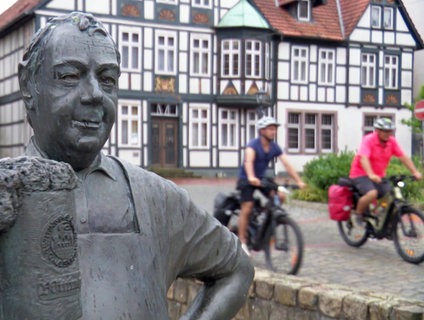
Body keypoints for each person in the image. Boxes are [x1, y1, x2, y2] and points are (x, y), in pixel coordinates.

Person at [17, 12, 254, 319]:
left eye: (107, 79)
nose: (94, 94)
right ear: (28, 84)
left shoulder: (157, 198)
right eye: (69, 76)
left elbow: (236, 269)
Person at [236, 116, 306, 254]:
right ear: (262, 131)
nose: (273, 132)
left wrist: (298, 180)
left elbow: (286, 163)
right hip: (247, 179)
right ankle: (242, 240)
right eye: (270, 129)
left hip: (261, 178)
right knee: (247, 207)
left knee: (280, 195)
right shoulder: (253, 145)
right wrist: (251, 176)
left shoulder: (274, 147)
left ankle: (266, 218)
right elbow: (248, 162)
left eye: (274, 129)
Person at [349, 118, 422, 225]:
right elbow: (363, 158)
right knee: (372, 193)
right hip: (360, 174)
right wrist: (371, 174)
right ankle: (359, 214)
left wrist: (415, 171)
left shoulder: (392, 142)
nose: (388, 134)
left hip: (379, 176)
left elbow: (403, 157)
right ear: (377, 131)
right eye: (385, 131)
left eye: (390, 131)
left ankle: (380, 217)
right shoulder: (368, 140)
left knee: (390, 194)